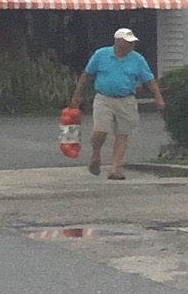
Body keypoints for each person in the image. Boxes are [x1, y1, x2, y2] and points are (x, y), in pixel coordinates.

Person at [70, 27, 164, 180]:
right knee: (100, 130)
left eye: (133, 42)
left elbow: (149, 79)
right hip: (104, 98)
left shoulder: (137, 59)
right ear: (118, 42)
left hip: (126, 99)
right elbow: (86, 75)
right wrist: (77, 96)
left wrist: (158, 97)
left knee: (122, 134)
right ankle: (96, 154)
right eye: (128, 42)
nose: (132, 45)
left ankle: (114, 168)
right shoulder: (101, 55)